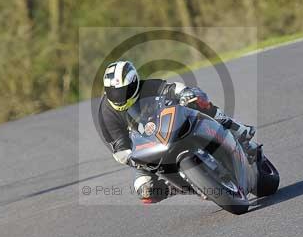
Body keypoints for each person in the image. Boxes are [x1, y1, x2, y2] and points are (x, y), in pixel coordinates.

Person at [96, 60, 257, 204]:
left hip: (169, 125)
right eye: (114, 92)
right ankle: (186, 186)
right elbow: (119, 148)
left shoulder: (147, 87)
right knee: (145, 191)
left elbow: (171, 88)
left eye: (124, 91)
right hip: (146, 149)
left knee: (197, 99)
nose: (119, 97)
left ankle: (237, 129)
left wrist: (184, 93)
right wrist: (131, 157)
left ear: (134, 82)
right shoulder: (106, 113)